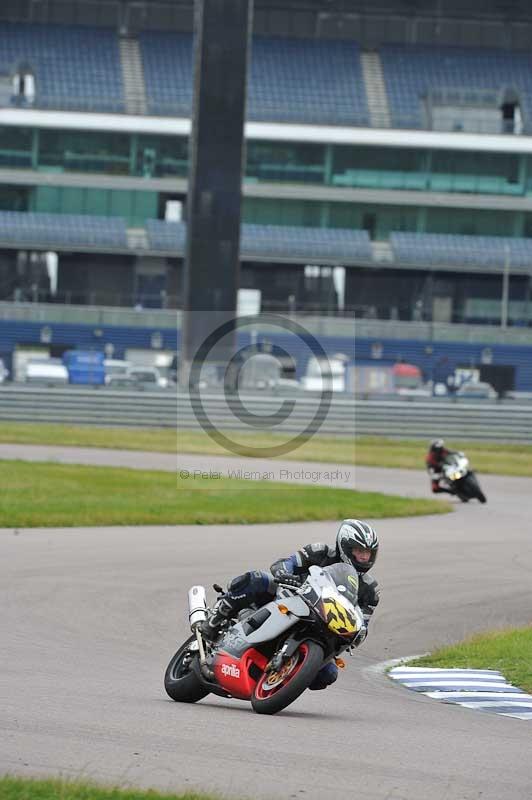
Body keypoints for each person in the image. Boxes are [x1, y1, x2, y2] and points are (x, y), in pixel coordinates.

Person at [200, 519, 380, 690]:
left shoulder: (370, 591)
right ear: (345, 547)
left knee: (328, 674)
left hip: (323, 626)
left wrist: (358, 633)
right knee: (255, 580)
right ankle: (215, 620)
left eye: (368, 553)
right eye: (359, 551)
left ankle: (278, 680)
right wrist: (286, 574)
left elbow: (362, 624)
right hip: (289, 599)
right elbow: (284, 564)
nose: (364, 557)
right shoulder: (320, 552)